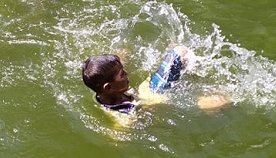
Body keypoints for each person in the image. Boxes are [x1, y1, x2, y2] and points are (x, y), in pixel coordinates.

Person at [82, 45, 228, 114]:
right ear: (108, 87)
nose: (127, 74)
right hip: (152, 97)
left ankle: (191, 72)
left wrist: (116, 63)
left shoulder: (106, 92)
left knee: (180, 52)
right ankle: (231, 98)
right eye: (122, 74)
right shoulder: (124, 115)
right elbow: (120, 133)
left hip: (145, 92)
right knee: (210, 103)